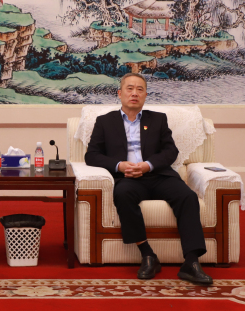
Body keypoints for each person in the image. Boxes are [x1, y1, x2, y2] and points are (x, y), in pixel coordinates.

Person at [84, 73, 213, 284]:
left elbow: (171, 152)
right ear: (120, 93)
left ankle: (191, 262)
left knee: (187, 196)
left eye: (140, 89)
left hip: (158, 175)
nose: (134, 93)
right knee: (123, 194)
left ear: (145, 95)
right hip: (127, 179)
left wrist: (148, 165)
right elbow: (92, 155)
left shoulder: (158, 119)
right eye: (130, 88)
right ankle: (148, 254)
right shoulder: (105, 121)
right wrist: (120, 165)